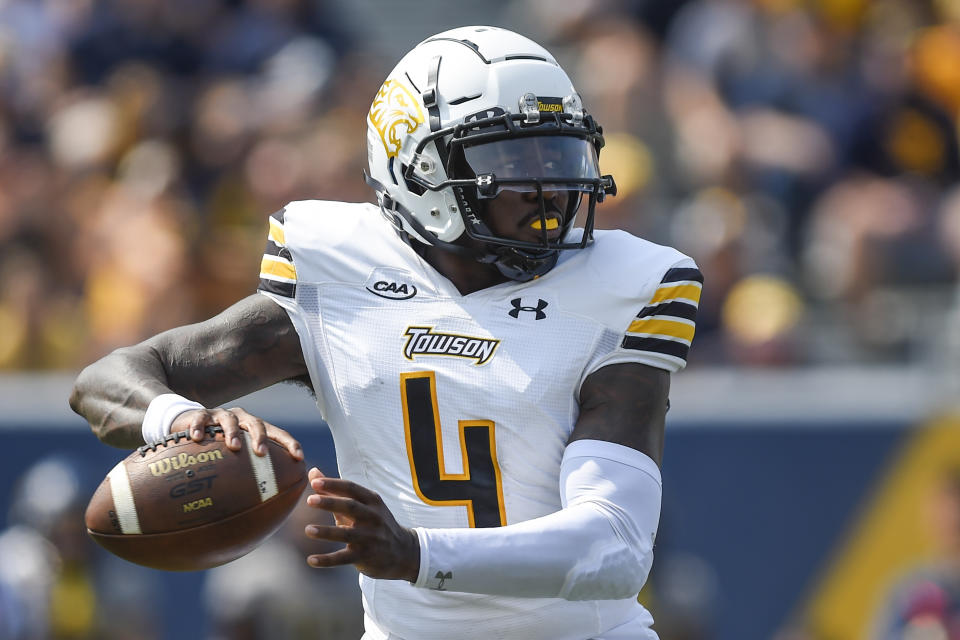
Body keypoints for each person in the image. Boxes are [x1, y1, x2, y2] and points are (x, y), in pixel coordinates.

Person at [70, 26, 702, 640]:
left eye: (558, 155)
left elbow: (614, 547)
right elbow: (104, 383)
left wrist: (415, 555)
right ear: (419, 168)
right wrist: (182, 422)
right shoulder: (340, 275)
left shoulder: (620, 286)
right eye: (511, 160)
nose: (551, 190)